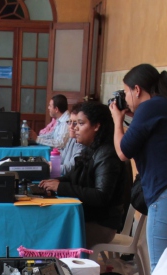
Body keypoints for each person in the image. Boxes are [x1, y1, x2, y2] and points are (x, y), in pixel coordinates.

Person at [111, 63, 167, 271]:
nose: (125, 98)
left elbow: (123, 152)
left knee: (160, 271)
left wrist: (117, 121)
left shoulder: (150, 107)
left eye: (126, 92)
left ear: (137, 90)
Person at [38, 101, 131, 246]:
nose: (74, 128)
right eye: (73, 123)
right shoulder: (91, 148)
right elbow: (74, 176)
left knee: (48, 233)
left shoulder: (107, 154)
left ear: (96, 126)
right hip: (88, 217)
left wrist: (60, 187)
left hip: (101, 225)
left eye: (80, 124)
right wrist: (54, 183)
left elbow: (101, 196)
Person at [59, 101, 84, 174]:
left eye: (76, 123)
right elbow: (61, 159)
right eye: (69, 122)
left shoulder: (83, 145)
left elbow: (69, 169)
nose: (71, 126)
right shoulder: (72, 139)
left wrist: (48, 168)